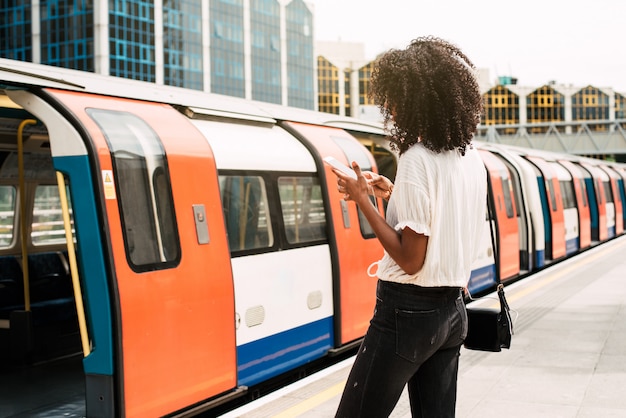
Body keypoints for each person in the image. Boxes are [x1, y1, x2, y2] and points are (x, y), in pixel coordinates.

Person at [331, 36, 487, 417]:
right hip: (452, 313)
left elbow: (411, 258)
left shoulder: (418, 158)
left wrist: (362, 200)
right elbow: (442, 219)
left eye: (396, 98)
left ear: (418, 99)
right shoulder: (470, 159)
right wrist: (393, 193)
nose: (392, 109)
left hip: (406, 313)